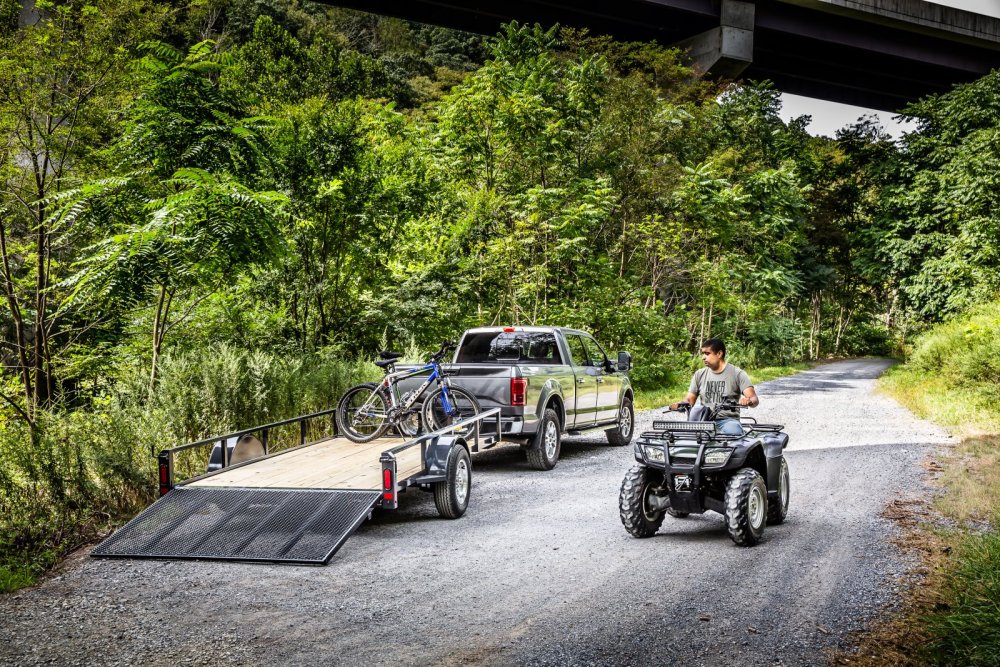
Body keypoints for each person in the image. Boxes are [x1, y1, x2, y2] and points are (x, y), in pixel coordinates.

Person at [670, 338, 759, 435]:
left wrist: (748, 400)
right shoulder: (699, 374)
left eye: (707, 354)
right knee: (680, 439)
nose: (703, 357)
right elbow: (690, 400)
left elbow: (754, 399)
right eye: (703, 354)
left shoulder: (737, 374)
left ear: (719, 354)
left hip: (727, 421)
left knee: (734, 433)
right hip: (703, 420)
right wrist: (680, 404)